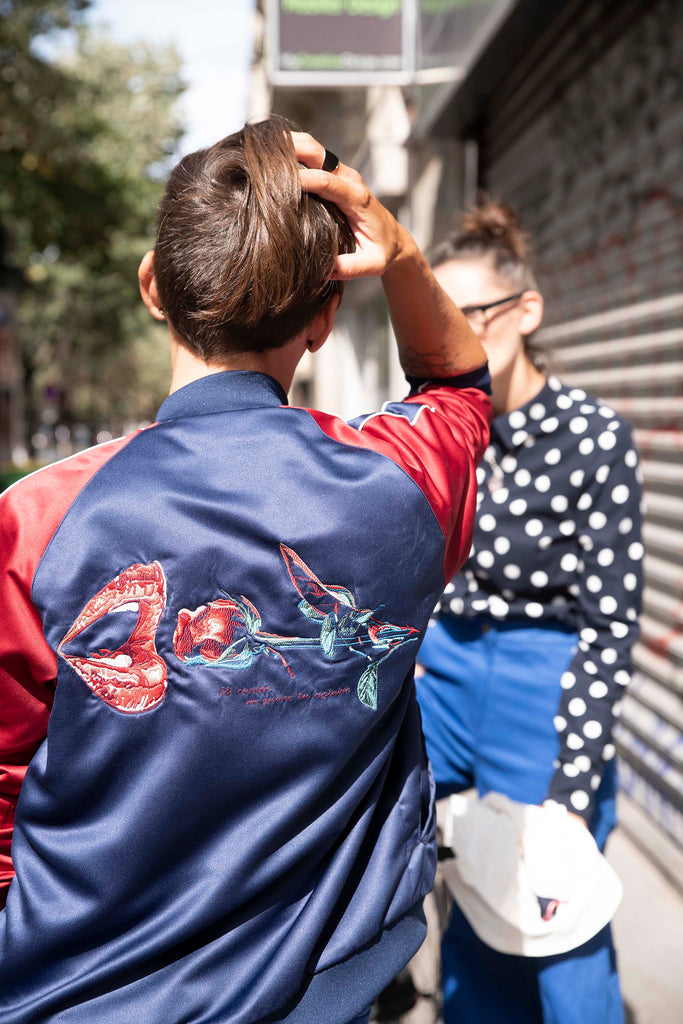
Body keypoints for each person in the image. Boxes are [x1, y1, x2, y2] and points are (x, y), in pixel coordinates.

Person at [0, 119, 492, 1024]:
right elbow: (459, 383)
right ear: (324, 316)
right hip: (325, 988)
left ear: (154, 286)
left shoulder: (40, 520)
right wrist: (398, 248)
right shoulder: (400, 488)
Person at [414, 198, 643, 1024]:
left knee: (557, 920)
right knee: (466, 913)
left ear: (526, 310)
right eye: (434, 316)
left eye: (466, 313)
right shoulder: (438, 428)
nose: (449, 335)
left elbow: (611, 620)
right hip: (441, 673)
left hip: (540, 687)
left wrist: (574, 778)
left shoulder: (592, 434)